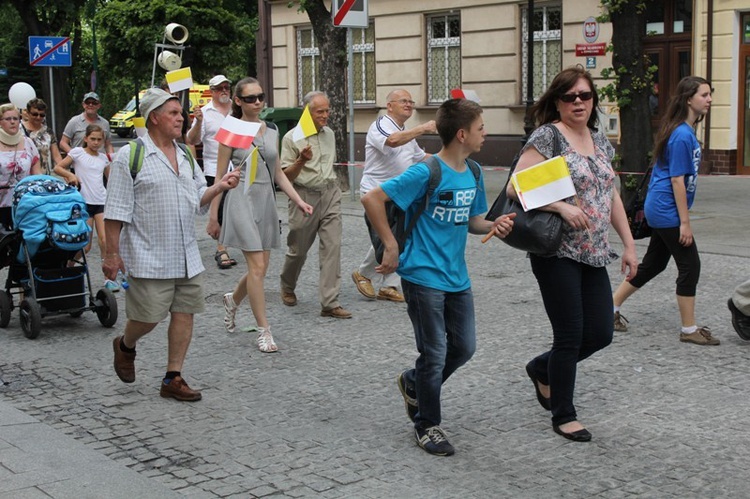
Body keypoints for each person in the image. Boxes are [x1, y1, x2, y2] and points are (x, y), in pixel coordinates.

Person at [361, 98, 515, 456]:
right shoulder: (425, 171)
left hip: (456, 276)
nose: (485, 134)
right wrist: (390, 245)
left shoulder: (474, 172)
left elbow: (473, 221)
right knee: (434, 353)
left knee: (464, 347)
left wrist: (495, 224)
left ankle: (413, 382)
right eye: (480, 128)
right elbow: (372, 199)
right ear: (462, 134)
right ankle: (427, 425)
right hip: (422, 273)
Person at [510, 67, 638, 442]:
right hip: (558, 251)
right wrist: (562, 208)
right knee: (570, 334)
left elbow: (610, 193)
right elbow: (518, 186)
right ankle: (563, 414)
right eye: (570, 97)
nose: (578, 102)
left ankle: (541, 369)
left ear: (593, 99)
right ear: (558, 101)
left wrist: (629, 244)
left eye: (584, 95)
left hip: (595, 250)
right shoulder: (548, 136)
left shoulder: (600, 140)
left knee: (599, 333)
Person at [104, 88, 240, 402]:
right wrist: (111, 254)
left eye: (181, 113)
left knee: (184, 313)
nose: (181, 118)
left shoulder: (184, 155)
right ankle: (125, 344)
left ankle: (172, 377)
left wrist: (219, 186)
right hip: (149, 254)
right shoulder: (132, 156)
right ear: (154, 117)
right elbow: (116, 211)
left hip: (186, 255)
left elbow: (197, 200)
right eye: (174, 113)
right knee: (149, 317)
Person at [612, 76, 718, 346]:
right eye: (704, 95)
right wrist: (685, 222)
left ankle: (608, 309)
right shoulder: (682, 134)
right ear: (688, 99)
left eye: (710, 94)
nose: (709, 100)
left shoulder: (683, 130)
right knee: (690, 265)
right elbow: (676, 180)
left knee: (655, 264)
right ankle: (689, 329)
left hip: (661, 207)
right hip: (666, 208)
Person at [212, 77, 313, 353]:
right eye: (250, 98)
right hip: (240, 198)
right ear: (237, 101)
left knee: (260, 270)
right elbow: (220, 176)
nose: (257, 102)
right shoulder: (231, 129)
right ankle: (264, 331)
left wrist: (298, 200)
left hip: (265, 199)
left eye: (261, 97)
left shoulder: (271, 130)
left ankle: (232, 300)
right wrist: (213, 215)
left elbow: (278, 172)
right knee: (257, 268)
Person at [352, 89, 436, 303]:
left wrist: (447, 159)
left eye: (411, 101)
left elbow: (419, 157)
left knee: (397, 235)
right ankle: (365, 274)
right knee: (388, 237)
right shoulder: (381, 125)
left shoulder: (406, 131)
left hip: (399, 193)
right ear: (389, 106)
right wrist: (423, 128)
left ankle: (388, 285)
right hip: (375, 193)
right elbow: (392, 141)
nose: (408, 104)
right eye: (403, 101)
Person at [279, 91, 351, 318]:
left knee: (332, 247)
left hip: (330, 193)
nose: (326, 115)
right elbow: (285, 177)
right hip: (303, 196)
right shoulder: (292, 137)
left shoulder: (329, 133)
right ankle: (287, 285)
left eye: (327, 110)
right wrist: (301, 160)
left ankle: (330, 302)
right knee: (298, 249)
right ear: (307, 112)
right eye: (320, 111)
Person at [187, 75, 238, 270]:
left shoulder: (237, 108)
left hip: (238, 165)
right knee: (222, 205)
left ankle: (231, 241)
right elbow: (192, 139)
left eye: (227, 87)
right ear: (212, 91)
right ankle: (221, 247)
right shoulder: (205, 112)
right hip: (214, 167)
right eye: (219, 88)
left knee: (236, 206)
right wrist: (198, 122)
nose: (224, 91)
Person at [53, 124, 113, 285]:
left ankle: (108, 277)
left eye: (99, 140)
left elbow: (111, 179)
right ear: (86, 138)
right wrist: (70, 175)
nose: (95, 142)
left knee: (105, 240)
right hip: (84, 202)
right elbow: (58, 168)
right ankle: (68, 266)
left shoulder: (103, 159)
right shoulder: (77, 153)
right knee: (85, 245)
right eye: (92, 139)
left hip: (101, 200)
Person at [0, 103, 41, 229]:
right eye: (8, 119)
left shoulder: (28, 143)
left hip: (24, 203)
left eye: (16, 119)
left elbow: (37, 174)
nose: (13, 122)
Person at [21, 98, 63, 176]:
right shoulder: (19, 130)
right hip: (24, 175)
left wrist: (64, 172)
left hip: (44, 175)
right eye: (35, 114)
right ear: (28, 113)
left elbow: (56, 155)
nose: (38, 117)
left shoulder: (48, 132)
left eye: (42, 115)